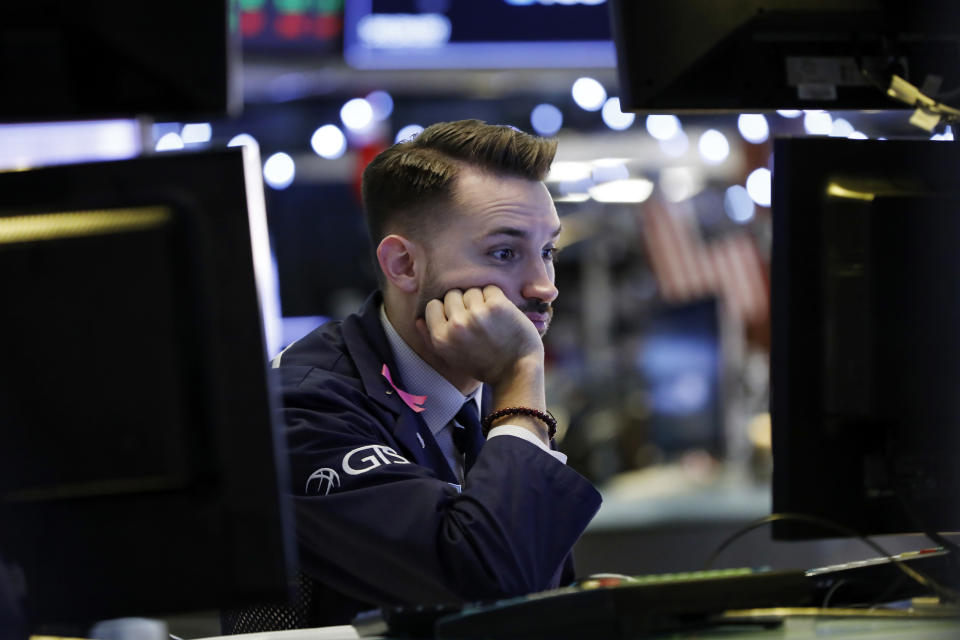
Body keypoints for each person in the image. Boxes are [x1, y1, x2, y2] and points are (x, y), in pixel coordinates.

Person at [270, 119, 601, 626]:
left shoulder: (478, 387)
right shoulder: (300, 408)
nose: (544, 287)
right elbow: (483, 586)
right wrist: (520, 377)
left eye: (548, 252)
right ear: (403, 265)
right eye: (504, 253)